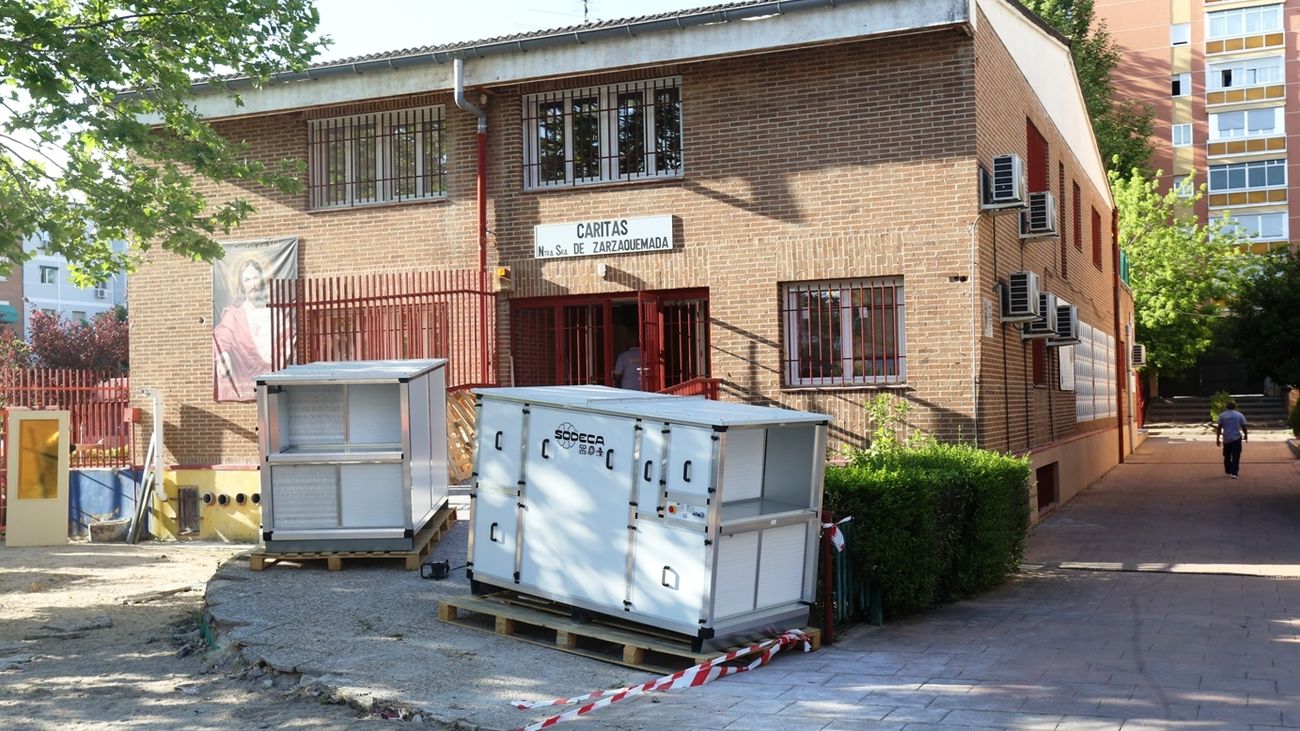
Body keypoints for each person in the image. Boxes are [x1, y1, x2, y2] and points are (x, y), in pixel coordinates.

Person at [213, 258, 273, 402]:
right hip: (244, 376)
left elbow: (287, 335)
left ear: (262, 280)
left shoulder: (275, 311)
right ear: (242, 285)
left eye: (255, 278)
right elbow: (223, 337)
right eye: (247, 280)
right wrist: (224, 357)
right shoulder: (234, 314)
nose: (252, 284)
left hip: (272, 374)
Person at [1215, 399, 1249, 479]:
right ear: (1235, 406)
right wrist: (1246, 435)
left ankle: (1228, 469)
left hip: (1226, 438)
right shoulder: (1239, 415)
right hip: (1236, 438)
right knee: (1236, 456)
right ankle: (1234, 472)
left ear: (1226, 406)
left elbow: (1219, 428)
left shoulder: (1222, 415)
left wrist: (1217, 439)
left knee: (1227, 455)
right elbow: (1244, 426)